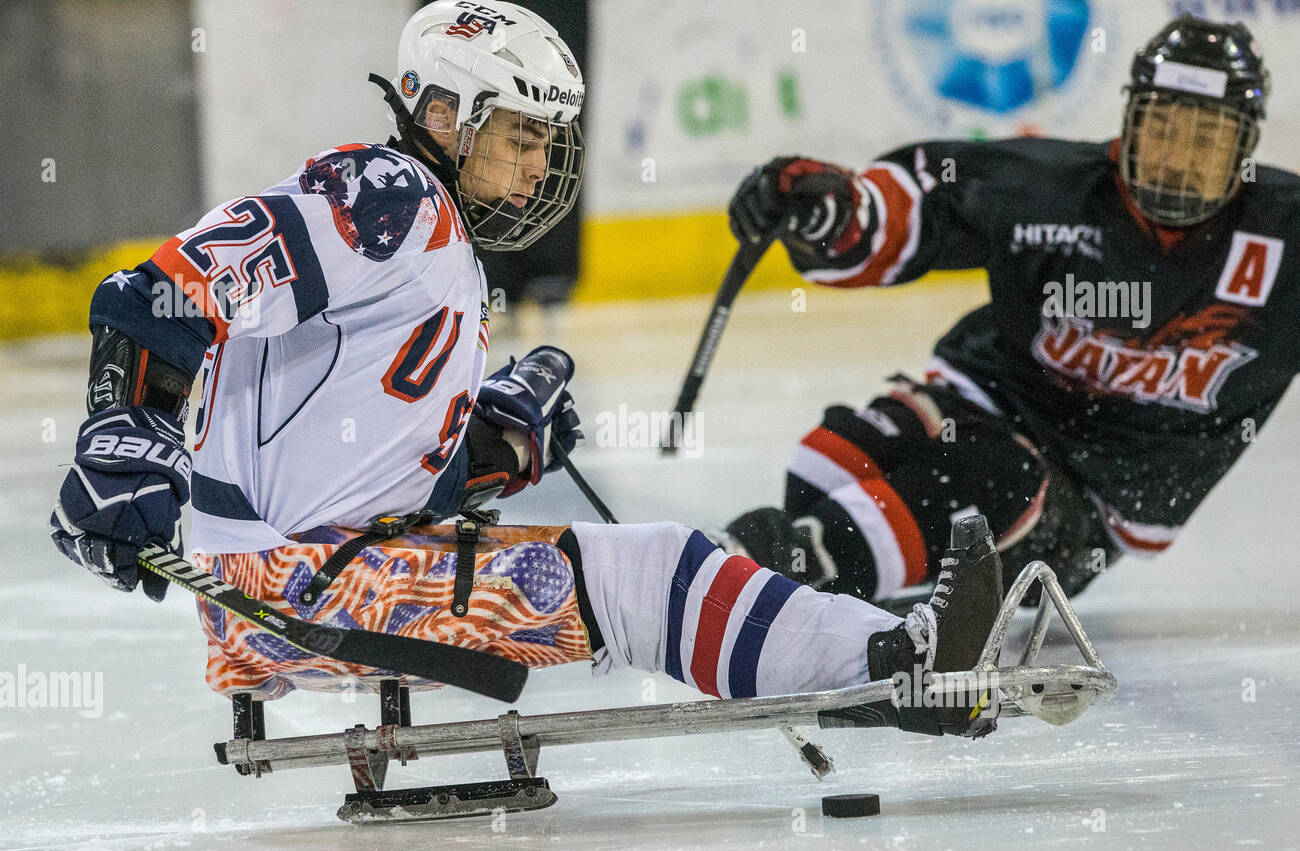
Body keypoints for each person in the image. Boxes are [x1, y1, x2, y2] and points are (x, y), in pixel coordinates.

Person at [49, 1, 1004, 739]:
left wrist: (493, 446)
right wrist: (121, 433)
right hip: (293, 588)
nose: (538, 163)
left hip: (302, 579)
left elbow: (343, 456)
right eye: (518, 135)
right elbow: (156, 294)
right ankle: (895, 665)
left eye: (547, 140)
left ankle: (888, 662)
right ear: (441, 114)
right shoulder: (382, 197)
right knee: (650, 575)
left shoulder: (428, 236)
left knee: (653, 566)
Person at [722, 14, 1297, 606]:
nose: (1178, 160)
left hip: (1087, 500)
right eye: (1164, 128)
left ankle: (797, 577)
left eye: (1207, 140)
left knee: (992, 479)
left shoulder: (1288, 243)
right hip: (983, 400)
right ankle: (835, 576)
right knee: (830, 460)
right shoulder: (1052, 189)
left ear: (1246, 147)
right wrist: (834, 214)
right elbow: (922, 204)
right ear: (1131, 120)